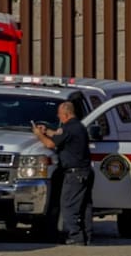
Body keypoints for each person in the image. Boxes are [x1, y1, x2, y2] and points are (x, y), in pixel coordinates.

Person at [32, 101, 94, 245]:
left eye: (59, 114)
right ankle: (86, 237)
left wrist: (38, 135)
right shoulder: (77, 127)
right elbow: (60, 136)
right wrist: (46, 131)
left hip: (75, 174)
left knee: (68, 206)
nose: (58, 117)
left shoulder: (70, 128)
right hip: (85, 172)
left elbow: (50, 144)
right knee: (85, 207)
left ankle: (75, 236)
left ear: (66, 114)